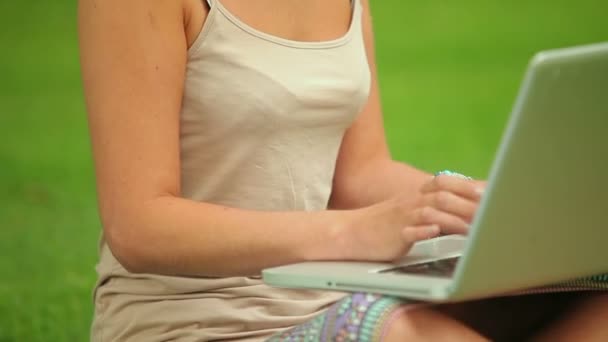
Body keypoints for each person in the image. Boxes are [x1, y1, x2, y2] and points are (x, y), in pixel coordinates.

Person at [78, 0, 608, 340]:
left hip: (327, 295)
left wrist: (488, 206)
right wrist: (348, 232)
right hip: (198, 323)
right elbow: (137, 224)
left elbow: (361, 175)